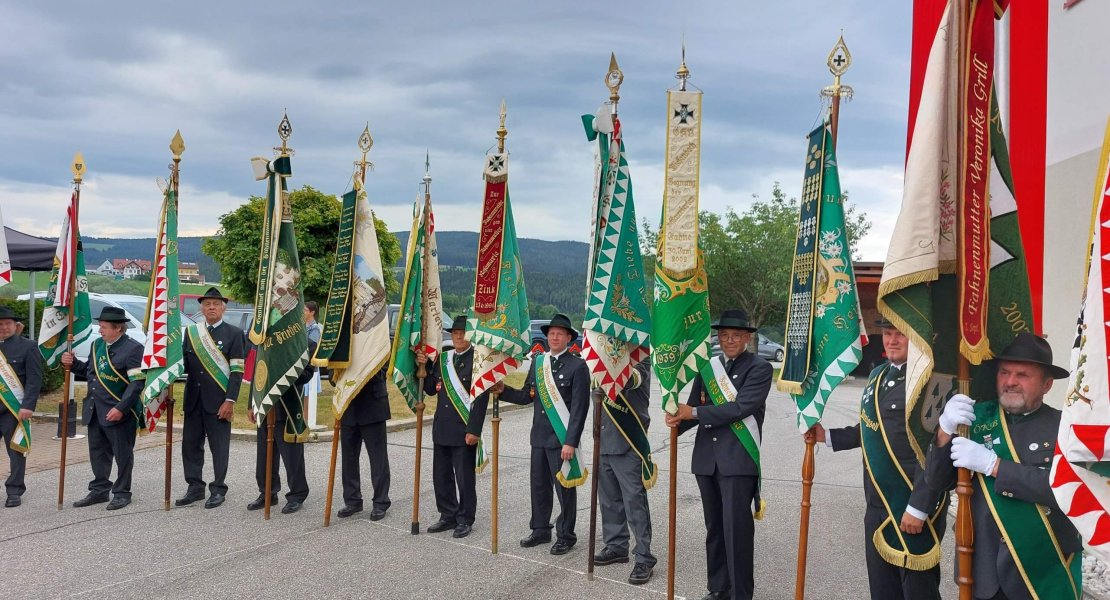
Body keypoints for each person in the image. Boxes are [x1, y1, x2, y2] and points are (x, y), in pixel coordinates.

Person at [926, 332, 1082, 599]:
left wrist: (995, 465)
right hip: (982, 569)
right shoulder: (972, 419)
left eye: (1022, 375)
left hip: (1042, 571)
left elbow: (1068, 489)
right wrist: (944, 429)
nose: (1010, 382)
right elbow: (937, 481)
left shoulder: (1066, 428)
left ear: (1046, 385)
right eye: (1004, 373)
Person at [813, 318, 949, 600]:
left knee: (917, 590)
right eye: (888, 334)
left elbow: (937, 450)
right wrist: (826, 436)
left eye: (901, 334)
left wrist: (920, 506)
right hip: (877, 502)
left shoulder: (932, 382)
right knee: (882, 588)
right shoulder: (877, 375)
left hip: (911, 503)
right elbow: (870, 429)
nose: (892, 340)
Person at [665, 309, 772, 600]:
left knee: (736, 533)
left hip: (737, 462)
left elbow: (739, 409)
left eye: (735, 336)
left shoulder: (760, 369)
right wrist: (677, 420)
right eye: (724, 336)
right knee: (714, 529)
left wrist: (695, 412)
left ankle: (740, 594)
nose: (729, 341)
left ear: (747, 338)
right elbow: (691, 410)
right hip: (707, 461)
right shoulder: (707, 368)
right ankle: (718, 588)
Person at [498, 313, 590, 555]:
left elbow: (580, 409)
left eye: (560, 334)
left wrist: (571, 441)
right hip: (539, 437)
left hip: (561, 441)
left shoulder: (578, 366)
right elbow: (526, 396)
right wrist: (502, 390)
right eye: (551, 333)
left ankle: (566, 535)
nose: (555, 337)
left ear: (569, 338)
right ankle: (540, 530)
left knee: (564, 489)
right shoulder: (539, 363)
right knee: (539, 487)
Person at [62, 307, 144, 510]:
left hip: (119, 411)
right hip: (94, 409)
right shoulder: (96, 345)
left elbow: (137, 383)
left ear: (118, 329)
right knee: (98, 452)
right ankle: (99, 490)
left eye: (104, 327)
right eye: (100, 326)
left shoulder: (133, 349)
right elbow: (89, 372)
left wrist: (121, 408)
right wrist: (72, 364)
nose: (100, 330)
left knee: (122, 454)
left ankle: (122, 492)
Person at [416, 315, 490, 538]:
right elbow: (430, 388)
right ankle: (447, 514)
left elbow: (481, 397)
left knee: (464, 477)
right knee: (441, 475)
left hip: (463, 428)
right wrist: (423, 365)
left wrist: (474, 430)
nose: (458, 336)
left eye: (462, 332)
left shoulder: (478, 360)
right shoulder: (442, 359)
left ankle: (465, 518)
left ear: (470, 335)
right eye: (455, 332)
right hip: (442, 427)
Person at [176, 287, 245, 509]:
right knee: (190, 446)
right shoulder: (191, 333)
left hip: (218, 402)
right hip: (194, 400)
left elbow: (237, 372)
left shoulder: (234, 334)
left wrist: (230, 401)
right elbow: (183, 366)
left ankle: (218, 489)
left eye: (216, 304)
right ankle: (194, 487)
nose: (211, 307)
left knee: (219, 447)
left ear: (223, 308)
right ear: (201, 308)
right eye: (207, 304)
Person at [593, 359, 656, 585]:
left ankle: (644, 556)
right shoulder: (599, 357)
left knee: (634, 502)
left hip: (628, 442)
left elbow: (630, 380)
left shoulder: (641, 360)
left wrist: (602, 366)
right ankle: (616, 546)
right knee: (608, 501)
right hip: (603, 440)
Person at [247, 341, 317, 515]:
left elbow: (307, 374)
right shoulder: (265, 340)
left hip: (288, 406)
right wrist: (251, 404)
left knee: (292, 456)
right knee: (264, 454)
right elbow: (257, 372)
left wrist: (283, 367)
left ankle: (297, 494)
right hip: (264, 405)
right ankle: (267, 492)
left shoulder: (305, 343)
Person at [335, 367, 392, 521]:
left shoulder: (378, 341)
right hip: (349, 405)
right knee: (349, 458)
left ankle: (381, 501)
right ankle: (352, 500)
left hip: (372, 403)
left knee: (377, 458)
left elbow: (382, 366)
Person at [0, 306, 44, 507]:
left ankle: (14, 491)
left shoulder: (28, 346)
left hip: (13, 409)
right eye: (0, 324)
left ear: (15, 325)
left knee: (16, 450)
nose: (3, 327)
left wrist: (28, 406)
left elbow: (34, 380)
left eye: (7, 323)